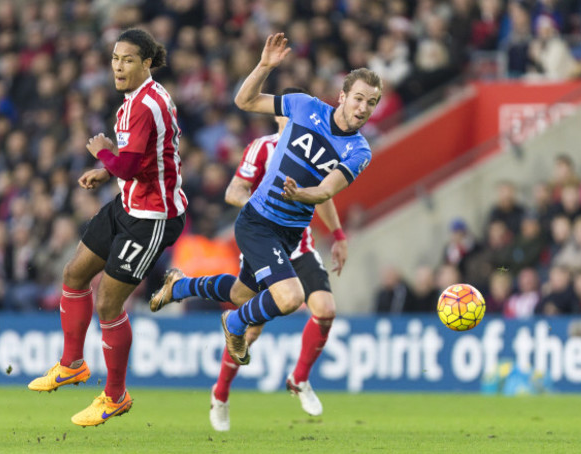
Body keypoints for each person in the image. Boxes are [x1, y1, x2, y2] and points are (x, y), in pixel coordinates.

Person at [149, 32, 381, 423]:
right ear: (342, 96)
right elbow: (244, 101)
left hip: (294, 235)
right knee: (289, 299)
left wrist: (303, 197)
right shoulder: (304, 106)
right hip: (258, 223)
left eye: (371, 103)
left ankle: (180, 285)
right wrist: (265, 67)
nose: (363, 108)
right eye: (358, 98)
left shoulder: (359, 151)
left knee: (243, 291)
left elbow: (326, 191)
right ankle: (233, 331)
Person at [157, 86, 348, 430]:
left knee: (326, 309)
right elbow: (233, 192)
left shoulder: (322, 146)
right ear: (278, 117)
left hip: (299, 245)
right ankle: (221, 394)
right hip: (264, 237)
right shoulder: (262, 148)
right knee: (247, 315)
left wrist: (337, 235)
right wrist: (263, 211)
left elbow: (326, 194)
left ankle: (300, 379)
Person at [27, 28, 187, 427]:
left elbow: (131, 166)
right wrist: (106, 170)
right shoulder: (138, 100)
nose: (118, 66)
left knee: (109, 304)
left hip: (152, 217)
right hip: (128, 203)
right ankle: (72, 364)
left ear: (146, 63)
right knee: (74, 273)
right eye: (115, 58)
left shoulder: (145, 104)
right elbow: (140, 159)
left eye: (128, 59)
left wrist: (102, 152)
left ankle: (115, 396)